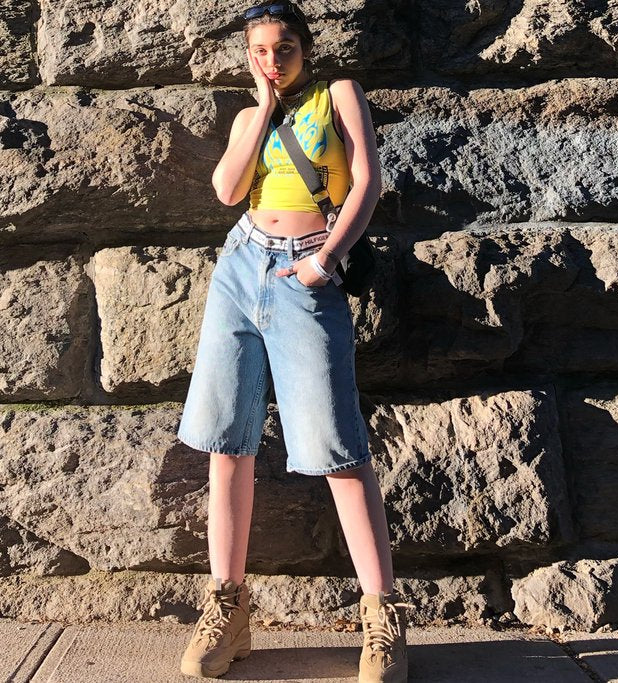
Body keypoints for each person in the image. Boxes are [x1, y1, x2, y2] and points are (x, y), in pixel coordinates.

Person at [176, 3, 414, 681]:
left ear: (305, 48)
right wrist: (259, 107)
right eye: (258, 50)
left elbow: (366, 180)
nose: (272, 60)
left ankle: (383, 616)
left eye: (283, 48)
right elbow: (226, 190)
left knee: (337, 446)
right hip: (241, 265)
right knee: (228, 441)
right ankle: (229, 607)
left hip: (306, 270)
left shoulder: (339, 95)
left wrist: (324, 260)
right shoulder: (251, 117)